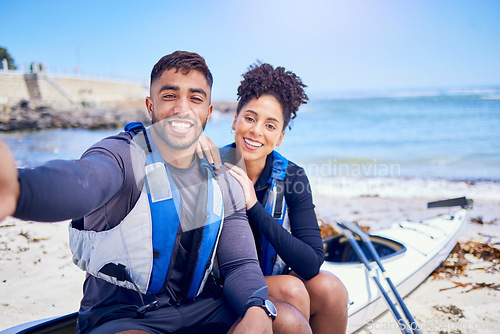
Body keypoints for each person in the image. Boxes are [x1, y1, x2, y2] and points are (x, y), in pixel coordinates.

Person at [0, 51, 280, 334]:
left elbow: (239, 264)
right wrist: (20, 190)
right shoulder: (123, 155)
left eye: (195, 98)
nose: (182, 108)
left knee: (286, 319)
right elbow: (85, 179)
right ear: (150, 106)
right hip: (123, 318)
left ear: (208, 112)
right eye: (170, 95)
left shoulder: (221, 175)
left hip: (195, 309)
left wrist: (257, 307)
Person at [200, 63, 349, 333]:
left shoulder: (292, 176)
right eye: (249, 118)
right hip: (218, 287)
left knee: (330, 288)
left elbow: (312, 261)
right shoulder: (210, 165)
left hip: (271, 278)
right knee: (292, 289)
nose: (257, 131)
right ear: (235, 120)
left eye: (270, 125)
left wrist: (254, 207)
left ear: (279, 137)